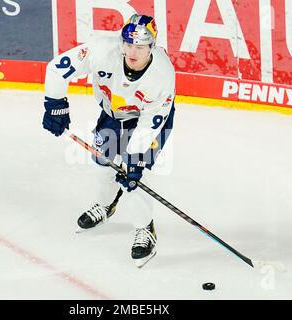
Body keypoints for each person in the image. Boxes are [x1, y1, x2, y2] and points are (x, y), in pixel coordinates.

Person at [42, 14, 176, 268]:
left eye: (140, 46)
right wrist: (55, 103)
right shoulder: (102, 50)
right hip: (113, 114)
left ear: (152, 47)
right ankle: (105, 206)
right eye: (128, 44)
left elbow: (151, 123)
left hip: (147, 122)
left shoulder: (162, 76)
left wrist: (135, 161)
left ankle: (144, 228)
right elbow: (57, 68)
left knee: (135, 178)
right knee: (102, 163)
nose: (132, 51)